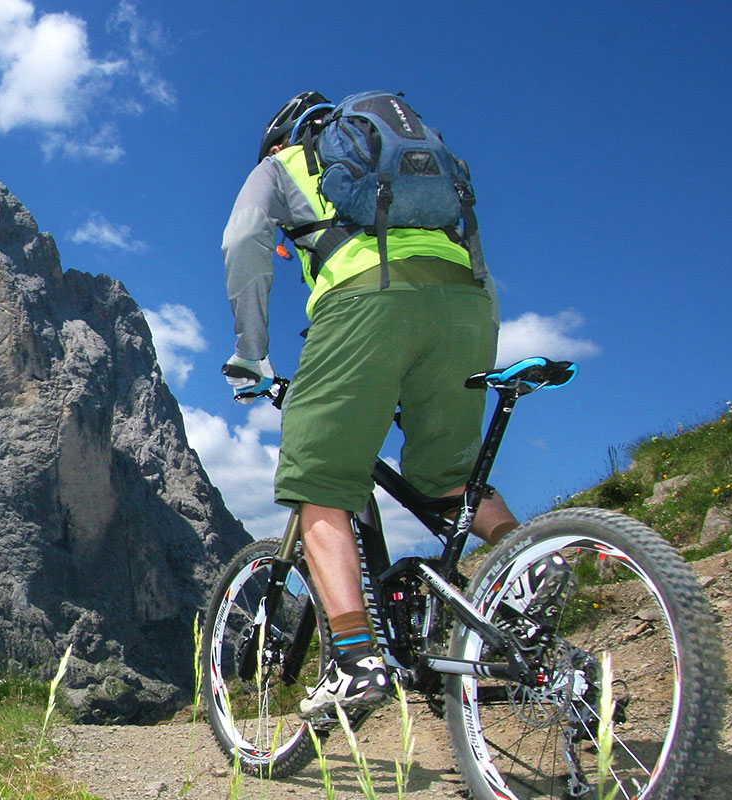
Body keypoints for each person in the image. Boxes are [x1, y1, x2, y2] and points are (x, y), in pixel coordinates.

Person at [219, 91, 521, 720]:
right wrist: (479, 351)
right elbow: (479, 262)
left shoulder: (282, 164)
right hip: (465, 312)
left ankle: (356, 661)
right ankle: (527, 572)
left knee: (321, 480)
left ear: (281, 139)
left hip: (365, 305)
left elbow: (244, 239)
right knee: (448, 478)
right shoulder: (425, 165)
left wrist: (252, 352)